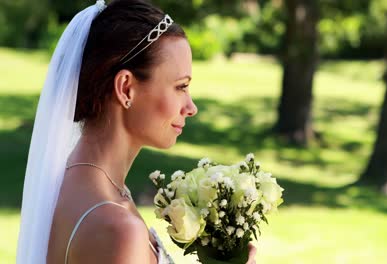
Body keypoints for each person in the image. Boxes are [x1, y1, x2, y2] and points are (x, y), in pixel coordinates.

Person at [15, 0, 257, 263]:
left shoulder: (73, 183)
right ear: (126, 88)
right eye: (180, 86)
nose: (191, 107)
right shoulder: (119, 228)